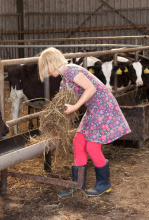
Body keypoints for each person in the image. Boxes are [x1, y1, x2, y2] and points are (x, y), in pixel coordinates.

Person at [38, 47, 131, 197]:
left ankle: (104, 183)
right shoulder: (65, 80)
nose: (47, 73)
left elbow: (91, 88)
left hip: (102, 107)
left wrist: (75, 106)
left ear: (50, 63)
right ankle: (77, 185)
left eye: (45, 69)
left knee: (92, 146)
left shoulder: (70, 70)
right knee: (78, 141)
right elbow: (62, 102)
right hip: (93, 109)